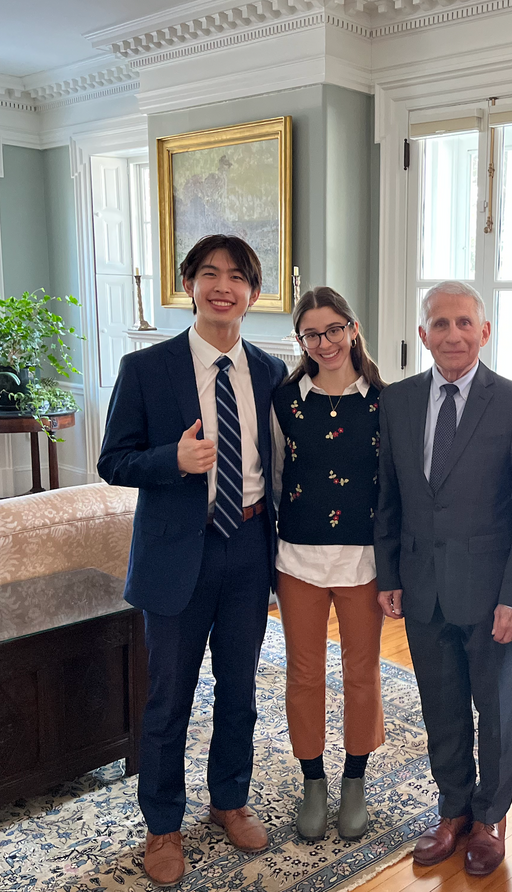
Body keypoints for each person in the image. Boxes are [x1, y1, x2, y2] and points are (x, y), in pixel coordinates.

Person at [97, 235, 287, 887]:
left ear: (253, 294)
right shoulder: (146, 369)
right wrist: (169, 462)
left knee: (239, 692)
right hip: (178, 556)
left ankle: (229, 801)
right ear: (190, 285)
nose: (222, 286)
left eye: (237, 277)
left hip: (249, 550)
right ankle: (163, 827)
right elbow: (112, 461)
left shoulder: (269, 370)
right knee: (168, 699)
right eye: (209, 274)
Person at [374, 280, 512, 875]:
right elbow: (387, 498)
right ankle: (453, 810)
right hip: (421, 586)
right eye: (439, 324)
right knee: (439, 706)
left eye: (464, 323)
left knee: (494, 710)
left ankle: (491, 816)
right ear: (423, 334)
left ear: (484, 331)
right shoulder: (396, 402)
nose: (452, 334)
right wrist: (387, 573)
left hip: (491, 592)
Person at [270, 286, 387, 842]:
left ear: (353, 328)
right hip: (298, 558)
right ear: (301, 340)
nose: (325, 342)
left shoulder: (384, 399)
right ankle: (312, 780)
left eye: (334, 329)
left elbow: (395, 486)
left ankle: (355, 781)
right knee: (305, 673)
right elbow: (267, 472)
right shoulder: (284, 399)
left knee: (362, 674)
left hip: (363, 560)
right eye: (312, 334)